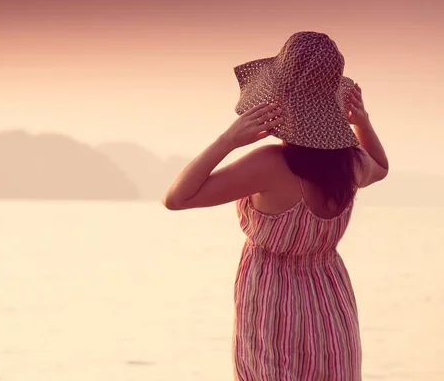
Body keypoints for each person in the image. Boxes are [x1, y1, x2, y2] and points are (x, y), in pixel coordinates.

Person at [162, 31, 388, 380]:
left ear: (280, 99)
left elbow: (177, 198)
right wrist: (362, 122)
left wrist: (228, 140)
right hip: (331, 306)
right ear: (331, 106)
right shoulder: (352, 164)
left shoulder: (268, 165)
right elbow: (382, 166)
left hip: (270, 308)